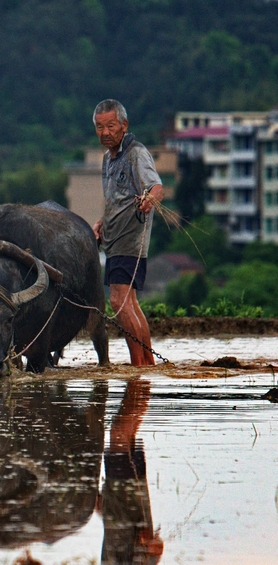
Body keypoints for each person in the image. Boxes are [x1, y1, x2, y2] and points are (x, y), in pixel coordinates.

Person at [92, 99, 164, 366]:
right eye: (100, 127)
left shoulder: (136, 153)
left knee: (118, 301)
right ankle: (146, 363)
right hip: (113, 240)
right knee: (130, 303)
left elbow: (157, 188)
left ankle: (138, 365)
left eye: (111, 126)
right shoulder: (108, 160)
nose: (105, 132)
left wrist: (149, 200)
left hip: (130, 239)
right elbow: (116, 200)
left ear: (124, 125)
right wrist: (102, 223)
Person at [92, 380, 163, 565]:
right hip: (130, 494)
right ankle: (140, 382)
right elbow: (156, 550)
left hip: (116, 495)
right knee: (119, 433)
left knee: (126, 432)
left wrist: (102, 508)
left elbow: (113, 537)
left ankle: (140, 383)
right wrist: (148, 543)